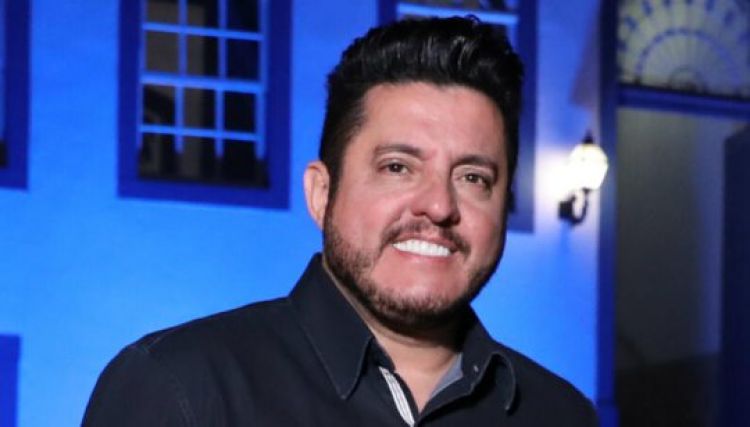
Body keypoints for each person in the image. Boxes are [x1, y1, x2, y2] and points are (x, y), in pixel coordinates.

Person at [83, 17, 597, 426]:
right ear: (321, 194)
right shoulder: (183, 389)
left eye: (472, 177)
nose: (439, 206)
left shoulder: (561, 415)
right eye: (398, 167)